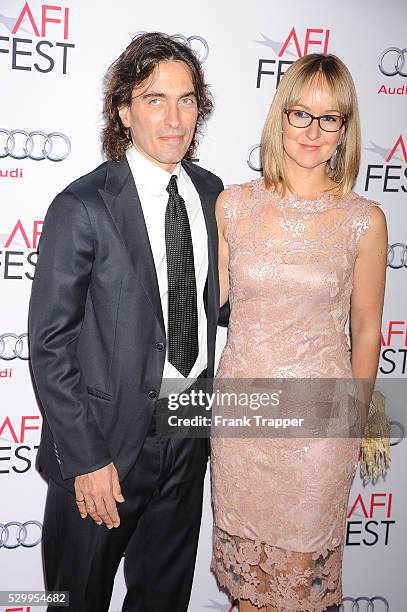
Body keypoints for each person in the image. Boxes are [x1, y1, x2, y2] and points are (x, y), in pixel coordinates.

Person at [28, 32, 223, 612]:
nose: (174, 117)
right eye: (155, 98)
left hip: (187, 437)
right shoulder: (83, 205)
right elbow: (50, 344)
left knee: (164, 600)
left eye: (187, 99)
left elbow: (222, 305)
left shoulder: (214, 195)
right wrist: (85, 458)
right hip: (102, 447)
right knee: (74, 600)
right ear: (124, 110)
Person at [211, 54, 387, 612]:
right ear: (279, 116)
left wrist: (355, 426)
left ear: (346, 128)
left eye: (330, 118)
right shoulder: (232, 206)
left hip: (318, 429)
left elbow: (366, 329)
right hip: (243, 423)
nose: (313, 131)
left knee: (299, 591)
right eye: (300, 114)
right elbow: (198, 307)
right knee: (250, 593)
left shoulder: (365, 220)